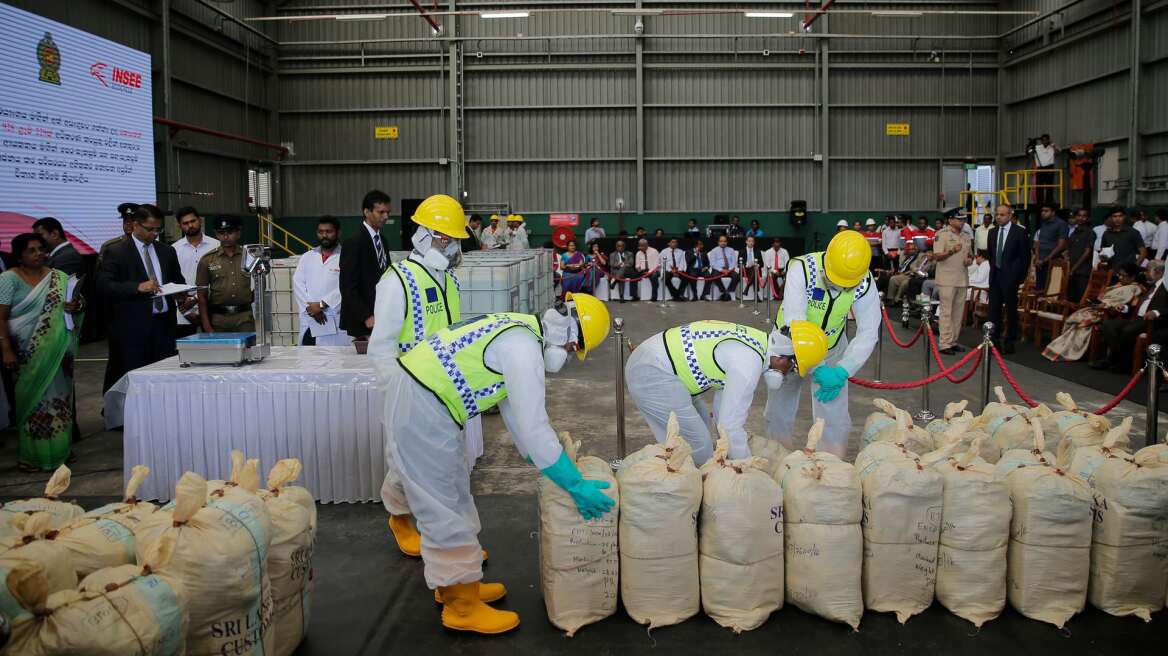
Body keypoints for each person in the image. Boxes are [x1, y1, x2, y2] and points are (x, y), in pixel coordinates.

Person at [385, 294, 612, 634]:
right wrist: (574, 484)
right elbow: (535, 426)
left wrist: (545, 462)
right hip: (425, 402)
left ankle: (456, 584)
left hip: (423, 395)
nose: (567, 356)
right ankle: (461, 607)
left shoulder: (519, 333)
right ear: (568, 331)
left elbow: (519, 422)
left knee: (455, 491)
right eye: (572, 348)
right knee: (444, 502)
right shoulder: (523, 350)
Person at [368, 194, 471, 559]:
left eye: (455, 239)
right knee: (406, 462)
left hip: (445, 389)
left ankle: (449, 535)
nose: (453, 246)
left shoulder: (450, 280)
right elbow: (381, 347)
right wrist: (397, 394)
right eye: (446, 238)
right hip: (410, 389)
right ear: (423, 236)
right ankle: (400, 518)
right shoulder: (398, 280)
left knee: (446, 462)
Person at [625, 320, 827, 465]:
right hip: (652, 370)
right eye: (792, 369)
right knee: (698, 448)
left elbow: (723, 419)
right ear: (784, 358)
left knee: (701, 430)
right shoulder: (748, 362)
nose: (787, 374)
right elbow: (730, 426)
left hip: (661, 365)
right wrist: (746, 466)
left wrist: (730, 451)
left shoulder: (757, 342)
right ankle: (661, 483)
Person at [764, 231, 880, 458]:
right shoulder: (802, 269)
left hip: (833, 347)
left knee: (834, 415)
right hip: (789, 345)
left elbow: (868, 331)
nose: (841, 288)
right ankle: (778, 461)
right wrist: (818, 368)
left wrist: (843, 370)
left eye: (846, 285)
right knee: (779, 409)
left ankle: (830, 466)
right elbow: (795, 322)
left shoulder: (864, 281)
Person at [0, 233, 83, 471]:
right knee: (32, 401)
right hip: (25, 353)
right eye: (31, 250)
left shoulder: (59, 277)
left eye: (41, 249)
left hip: (57, 353)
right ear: (19, 255)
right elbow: (1, 318)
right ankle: (33, 458)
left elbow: (76, 306)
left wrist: (75, 306)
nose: (38, 254)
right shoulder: (8, 279)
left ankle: (61, 453)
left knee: (60, 403)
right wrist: (6, 349)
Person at [96, 203, 184, 386]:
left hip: (164, 329)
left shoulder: (167, 251)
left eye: (158, 230)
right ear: (135, 225)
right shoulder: (116, 251)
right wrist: (137, 287)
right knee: (134, 382)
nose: (154, 234)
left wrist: (182, 295)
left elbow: (177, 281)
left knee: (164, 379)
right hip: (132, 331)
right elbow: (103, 286)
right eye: (150, 229)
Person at [1044, 262, 1144, 363]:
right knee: (1074, 320)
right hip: (1097, 309)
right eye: (1119, 274)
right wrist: (1097, 303)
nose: (1120, 277)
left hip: (1107, 314)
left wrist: (1105, 305)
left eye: (1124, 275)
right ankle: (1063, 349)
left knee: (1082, 324)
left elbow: (1122, 305)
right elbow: (1104, 297)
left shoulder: (1135, 288)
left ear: (1133, 277)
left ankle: (1070, 352)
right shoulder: (1119, 285)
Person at [1090, 262, 1168, 372]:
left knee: (1127, 330)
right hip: (1135, 319)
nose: (1145, 273)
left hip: (1151, 322)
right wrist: (1125, 308)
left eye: (1147, 270)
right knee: (1109, 325)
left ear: (1158, 272)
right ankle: (1123, 361)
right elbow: (1139, 306)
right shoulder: (1151, 286)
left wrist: (1157, 312)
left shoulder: (1165, 288)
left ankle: (1111, 360)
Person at [340, 190, 391, 339]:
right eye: (381, 212)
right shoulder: (353, 243)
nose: (386, 216)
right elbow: (347, 286)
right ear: (367, 212)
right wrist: (366, 316)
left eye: (388, 212)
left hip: (381, 316)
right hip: (363, 322)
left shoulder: (383, 241)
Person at [293, 216, 349, 346]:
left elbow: (346, 286)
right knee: (308, 361)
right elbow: (298, 285)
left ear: (338, 233)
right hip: (310, 319)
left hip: (333, 317)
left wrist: (322, 305)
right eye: (321, 232)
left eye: (329, 232)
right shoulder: (307, 257)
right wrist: (310, 309)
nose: (324, 235)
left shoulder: (346, 256)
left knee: (335, 361)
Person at [194, 216, 254, 333]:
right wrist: (206, 327)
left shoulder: (249, 257)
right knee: (220, 351)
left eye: (230, 232)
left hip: (244, 318)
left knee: (247, 350)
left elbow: (261, 285)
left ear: (238, 233)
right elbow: (202, 297)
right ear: (216, 234)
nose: (225, 237)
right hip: (218, 319)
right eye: (221, 233)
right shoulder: (207, 260)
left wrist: (247, 298)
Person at [987, 204, 1030, 353]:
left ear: (1010, 216)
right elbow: (991, 256)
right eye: (997, 214)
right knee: (993, 310)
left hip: (1011, 277)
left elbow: (1025, 258)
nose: (998, 217)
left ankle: (1010, 341)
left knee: (1011, 310)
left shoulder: (1020, 232)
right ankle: (994, 340)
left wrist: (1019, 278)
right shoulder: (992, 233)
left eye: (1002, 214)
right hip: (995, 276)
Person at [171, 207, 219, 338]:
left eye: (193, 221)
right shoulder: (173, 250)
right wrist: (184, 306)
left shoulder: (216, 246)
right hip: (183, 310)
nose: (190, 225)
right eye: (185, 223)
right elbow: (171, 281)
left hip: (212, 307)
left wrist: (196, 299)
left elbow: (220, 279)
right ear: (179, 226)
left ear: (200, 221)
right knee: (185, 354)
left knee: (214, 351)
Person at [933, 214, 974, 354]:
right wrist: (951, 251)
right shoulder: (942, 234)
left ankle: (953, 341)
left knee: (958, 314)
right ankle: (944, 344)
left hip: (962, 279)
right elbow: (937, 256)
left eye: (963, 219)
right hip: (947, 279)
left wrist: (969, 259)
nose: (961, 222)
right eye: (958, 219)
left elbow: (970, 255)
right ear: (950, 220)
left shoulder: (966, 236)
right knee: (946, 312)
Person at [1031, 202, 1069, 290]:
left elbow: (1061, 245)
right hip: (1040, 261)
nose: (1043, 213)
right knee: (1039, 287)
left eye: (1046, 211)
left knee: (1050, 288)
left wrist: (1046, 259)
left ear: (1053, 212)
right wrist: (1037, 258)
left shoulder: (1061, 224)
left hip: (1052, 261)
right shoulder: (1044, 223)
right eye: (1042, 211)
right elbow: (1038, 242)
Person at [1099, 208, 1147, 273]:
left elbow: (1143, 252)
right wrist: (1103, 259)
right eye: (1114, 216)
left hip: (1127, 273)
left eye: (1120, 216)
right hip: (1112, 272)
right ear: (1111, 218)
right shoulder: (1106, 234)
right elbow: (1103, 253)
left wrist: (1133, 269)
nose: (1117, 219)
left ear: (1124, 217)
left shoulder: (1133, 232)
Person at [1065, 208, 1097, 302]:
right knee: (1070, 298)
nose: (1081, 218)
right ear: (1075, 217)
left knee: (1080, 299)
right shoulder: (1073, 233)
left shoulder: (1090, 233)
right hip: (1071, 272)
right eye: (1079, 215)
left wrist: (1073, 268)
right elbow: (1068, 251)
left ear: (1087, 218)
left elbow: (1087, 252)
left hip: (1083, 272)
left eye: (1084, 216)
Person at [708, 235, 740, 301]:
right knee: (714, 275)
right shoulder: (714, 250)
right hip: (718, 269)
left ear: (727, 242)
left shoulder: (731, 250)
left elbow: (734, 262)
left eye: (725, 241)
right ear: (718, 242)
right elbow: (712, 264)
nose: (723, 243)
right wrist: (722, 270)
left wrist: (729, 270)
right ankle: (723, 291)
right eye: (721, 241)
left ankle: (728, 291)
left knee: (736, 276)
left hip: (729, 269)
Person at [1033, 133, 1058, 205]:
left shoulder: (1052, 147)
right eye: (1043, 140)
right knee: (1039, 186)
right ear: (1041, 141)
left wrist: (1053, 145)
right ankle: (1039, 202)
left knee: (1049, 185)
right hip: (1040, 168)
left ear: (1048, 140)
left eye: (1046, 140)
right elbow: (1028, 152)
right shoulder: (1037, 147)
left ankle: (1048, 201)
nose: (1044, 141)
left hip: (1050, 168)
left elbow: (1058, 152)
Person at [659, 237, 687, 301]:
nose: (674, 243)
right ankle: (676, 294)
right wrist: (671, 271)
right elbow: (663, 263)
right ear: (669, 243)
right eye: (673, 242)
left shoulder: (681, 251)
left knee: (685, 278)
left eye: (676, 242)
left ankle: (680, 294)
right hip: (669, 270)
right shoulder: (664, 251)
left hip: (678, 270)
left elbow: (682, 262)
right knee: (665, 278)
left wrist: (678, 271)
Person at [739, 235, 762, 300]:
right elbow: (739, 263)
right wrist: (746, 265)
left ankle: (747, 288)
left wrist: (756, 265)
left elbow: (761, 263)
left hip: (755, 269)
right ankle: (756, 295)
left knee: (754, 270)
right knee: (754, 274)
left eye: (752, 241)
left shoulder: (757, 251)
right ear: (746, 242)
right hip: (745, 270)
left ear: (754, 242)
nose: (751, 243)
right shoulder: (742, 251)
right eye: (749, 241)